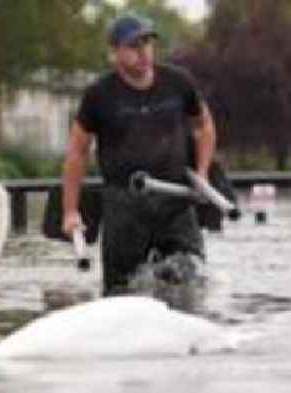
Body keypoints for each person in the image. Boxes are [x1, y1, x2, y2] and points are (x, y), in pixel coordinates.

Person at [61, 13, 217, 295]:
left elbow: (203, 125)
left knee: (189, 274)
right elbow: (77, 152)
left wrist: (203, 173)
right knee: (122, 290)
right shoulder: (99, 95)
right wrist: (71, 211)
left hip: (175, 199)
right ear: (115, 52)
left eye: (147, 42)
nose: (143, 51)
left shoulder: (178, 82)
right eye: (134, 45)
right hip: (124, 205)